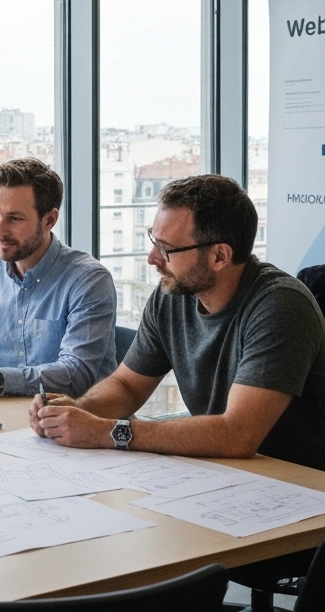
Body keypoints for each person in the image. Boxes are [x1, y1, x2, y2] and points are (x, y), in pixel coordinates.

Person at [29, 174, 325, 470]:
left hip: (299, 483)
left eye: (167, 249)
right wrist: (77, 412)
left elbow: (238, 434)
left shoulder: (281, 306)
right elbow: (127, 386)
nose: (152, 258)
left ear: (219, 256)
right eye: (154, 241)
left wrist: (106, 432)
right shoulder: (173, 293)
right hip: (223, 473)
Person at [0, 157, 117, 399]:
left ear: (49, 220)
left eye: (14, 219)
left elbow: (75, 373)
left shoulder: (89, 280)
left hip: (79, 421)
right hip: (13, 419)